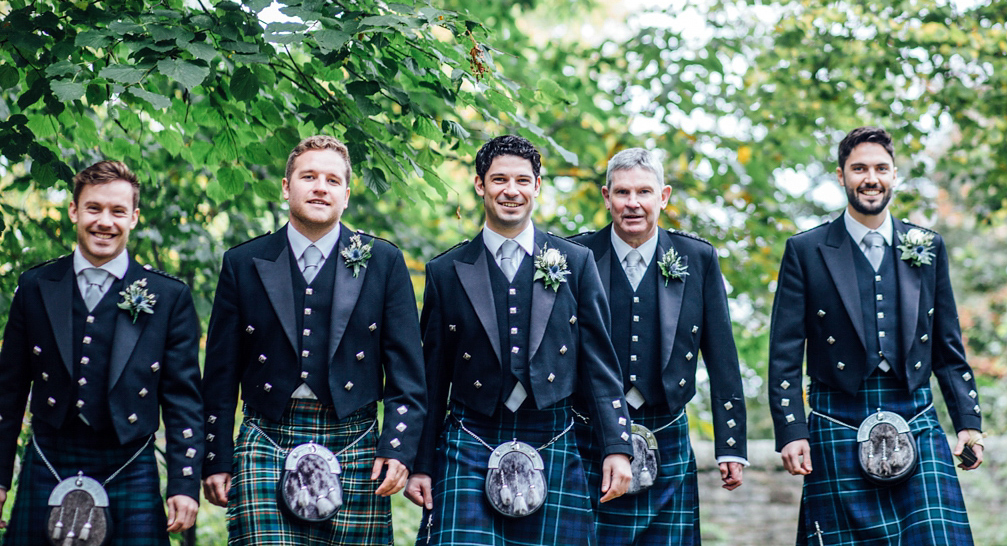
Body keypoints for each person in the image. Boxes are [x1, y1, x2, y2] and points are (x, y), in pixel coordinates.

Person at [405, 134, 633, 545]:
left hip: (552, 434)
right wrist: (421, 464)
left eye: (523, 181)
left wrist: (617, 445)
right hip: (470, 436)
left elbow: (600, 364)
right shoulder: (446, 270)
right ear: (480, 185)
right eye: (499, 180)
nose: (512, 191)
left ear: (538, 186)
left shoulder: (575, 263)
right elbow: (432, 381)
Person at [202, 134, 425, 545]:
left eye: (332, 180)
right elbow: (219, 374)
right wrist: (215, 457)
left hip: (355, 438)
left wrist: (398, 448)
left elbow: (407, 373)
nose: (320, 187)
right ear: (286, 187)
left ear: (346, 195)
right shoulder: (243, 262)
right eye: (309, 177)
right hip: (266, 435)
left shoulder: (383, 262)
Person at [768, 125, 983, 545]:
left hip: (916, 413)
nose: (871, 178)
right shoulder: (807, 250)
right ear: (840, 175)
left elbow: (947, 345)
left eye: (881, 168)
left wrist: (968, 422)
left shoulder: (927, 246)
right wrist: (791, 430)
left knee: (938, 537)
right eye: (859, 168)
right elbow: (784, 355)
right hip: (837, 414)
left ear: (895, 175)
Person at [0, 160, 203, 543]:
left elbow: (183, 400)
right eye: (93, 208)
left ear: (134, 217)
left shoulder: (168, 297)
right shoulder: (36, 286)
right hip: (48, 455)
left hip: (129, 459)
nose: (104, 222)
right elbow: (7, 392)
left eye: (117, 211)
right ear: (74, 210)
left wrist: (183, 483)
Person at [570, 147, 746, 545]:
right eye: (622, 193)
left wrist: (730, 446)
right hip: (589, 435)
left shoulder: (697, 257)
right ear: (606, 196)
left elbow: (722, 357)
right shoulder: (576, 256)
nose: (633, 204)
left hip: (666, 429)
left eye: (644, 192)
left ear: (663, 197)